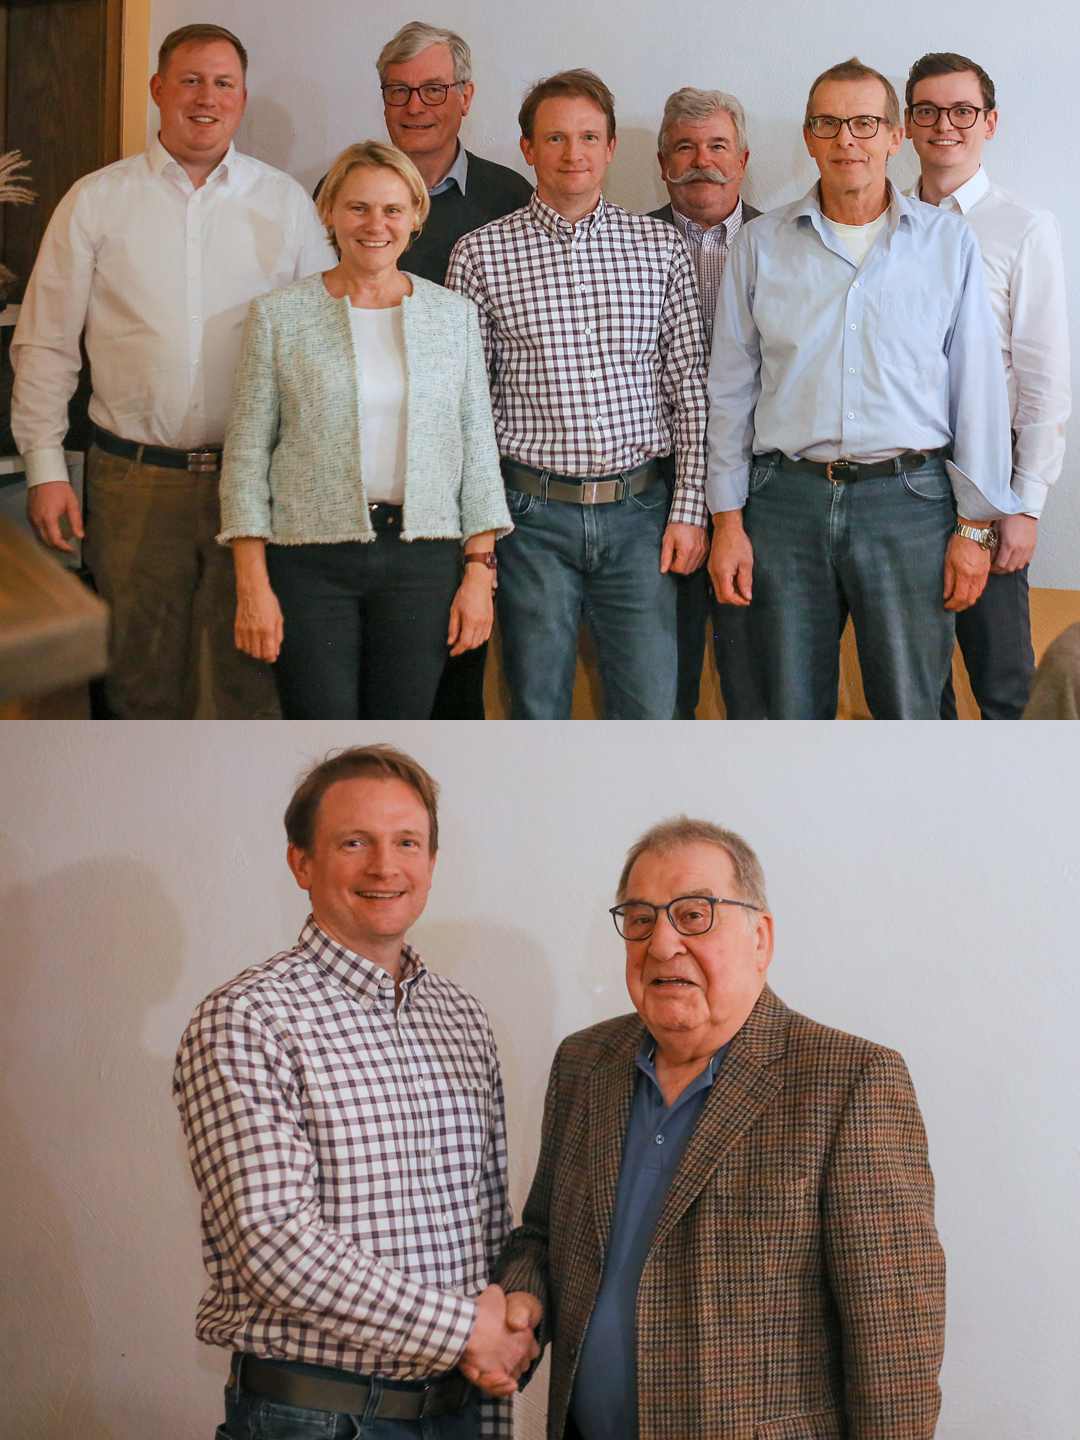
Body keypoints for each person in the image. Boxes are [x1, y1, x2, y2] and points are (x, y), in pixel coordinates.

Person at [489, 817, 946, 1439]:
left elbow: (894, 1348)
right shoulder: (584, 1063)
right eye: (642, 918)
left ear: (760, 936)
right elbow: (542, 1233)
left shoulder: (850, 1081)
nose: (662, 943)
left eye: (694, 914)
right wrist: (523, 1303)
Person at [174, 744, 539, 1440]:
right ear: (301, 863)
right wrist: (470, 1332)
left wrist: (503, 1342)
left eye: (407, 842)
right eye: (353, 842)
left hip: (458, 1408)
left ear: (432, 865)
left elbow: (489, 1222)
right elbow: (273, 1245)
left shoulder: (462, 1018)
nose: (384, 866)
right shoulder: (249, 1018)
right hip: (316, 1418)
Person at [11, 23, 336, 718]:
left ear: (242, 99)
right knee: (135, 680)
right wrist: (44, 468)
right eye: (190, 80)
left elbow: (321, 351)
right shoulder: (95, 200)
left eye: (223, 84)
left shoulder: (286, 204)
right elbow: (45, 343)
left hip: (252, 489)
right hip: (132, 482)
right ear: (158, 89)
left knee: (248, 683)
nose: (206, 98)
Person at [707, 56, 1018, 719]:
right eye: (828, 123)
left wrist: (975, 528)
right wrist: (727, 521)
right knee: (790, 709)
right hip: (783, 503)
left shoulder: (947, 243)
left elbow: (980, 392)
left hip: (909, 504)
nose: (846, 139)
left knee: (911, 710)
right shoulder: (760, 245)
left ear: (893, 134)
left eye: (864, 123)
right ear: (809, 134)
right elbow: (731, 389)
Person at [447, 70, 709, 719]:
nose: (574, 153)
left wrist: (690, 509)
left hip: (642, 515)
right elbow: (466, 412)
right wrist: (480, 541)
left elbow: (690, 391)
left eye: (589, 136)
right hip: (531, 520)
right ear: (527, 149)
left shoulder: (660, 249)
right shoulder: (479, 256)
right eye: (556, 138)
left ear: (612, 147)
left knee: (650, 710)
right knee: (537, 707)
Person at [219, 141, 511, 719]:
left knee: (402, 731)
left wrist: (479, 572)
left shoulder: (452, 316)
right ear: (329, 212)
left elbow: (477, 447)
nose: (375, 225)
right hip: (308, 563)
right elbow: (247, 457)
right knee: (319, 730)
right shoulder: (278, 316)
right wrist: (252, 585)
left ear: (414, 219)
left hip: (422, 562)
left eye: (393, 210)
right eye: (358, 208)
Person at [318, 21, 533, 721]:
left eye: (434, 88)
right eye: (399, 90)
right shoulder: (340, 191)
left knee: (452, 677)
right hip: (350, 477)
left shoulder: (509, 197)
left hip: (464, 481)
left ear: (466, 97)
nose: (417, 105)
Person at [905, 51, 1071, 719]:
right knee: (919, 683)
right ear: (907, 126)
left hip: (991, 478)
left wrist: (1026, 505)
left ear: (989, 122)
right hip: (902, 480)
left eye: (962, 110)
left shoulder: (1024, 226)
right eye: (927, 111)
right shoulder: (884, 224)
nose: (945, 125)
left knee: (1003, 682)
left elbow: (1044, 376)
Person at [649, 88, 762, 719]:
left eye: (718, 146)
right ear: (662, 161)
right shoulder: (628, 248)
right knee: (669, 674)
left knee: (751, 671)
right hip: (658, 488)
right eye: (685, 147)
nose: (703, 161)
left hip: (761, 489)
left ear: (742, 160)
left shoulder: (783, 241)